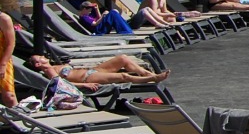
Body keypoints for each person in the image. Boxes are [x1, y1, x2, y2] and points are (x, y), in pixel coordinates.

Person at [28, 53, 169, 86]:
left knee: (123, 58)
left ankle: (148, 73)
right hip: (87, 78)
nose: (43, 56)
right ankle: (152, 78)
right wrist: (85, 85)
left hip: (94, 70)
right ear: (38, 65)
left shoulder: (55, 65)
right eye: (39, 57)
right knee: (123, 77)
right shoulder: (49, 71)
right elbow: (62, 84)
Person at [0, 12, 14, 108]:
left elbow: (11, 44)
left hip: (2, 58)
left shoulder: (4, 19)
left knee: (9, 96)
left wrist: (3, 64)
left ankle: (17, 115)